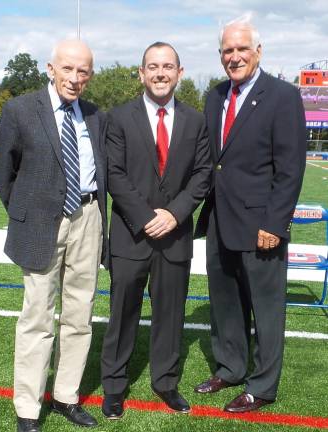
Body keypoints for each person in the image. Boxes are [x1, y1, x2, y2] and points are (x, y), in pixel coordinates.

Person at [0, 39, 107, 432]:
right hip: (42, 222)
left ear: (90, 76)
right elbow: (2, 173)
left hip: (88, 217)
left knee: (80, 314)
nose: (75, 79)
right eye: (68, 69)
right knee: (37, 317)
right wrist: (27, 214)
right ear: (50, 68)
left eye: (83, 71)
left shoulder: (94, 114)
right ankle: (28, 408)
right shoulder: (20, 109)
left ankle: (66, 397)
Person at [194, 17, 307, 412]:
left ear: (259, 52)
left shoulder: (282, 96)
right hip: (220, 223)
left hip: (262, 227)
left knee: (267, 309)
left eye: (242, 48)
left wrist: (275, 224)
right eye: (228, 50)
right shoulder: (214, 96)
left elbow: (291, 168)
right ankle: (231, 367)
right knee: (225, 302)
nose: (235, 56)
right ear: (220, 55)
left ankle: (261, 386)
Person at [100, 41, 211, 419]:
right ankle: (114, 387)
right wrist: (148, 216)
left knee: (170, 315)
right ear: (141, 73)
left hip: (175, 237)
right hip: (131, 235)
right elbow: (113, 173)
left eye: (167, 66)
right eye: (153, 66)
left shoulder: (196, 121)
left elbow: (202, 174)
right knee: (122, 313)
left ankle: (166, 382)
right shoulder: (118, 118)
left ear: (179, 73)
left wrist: (175, 214)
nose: (160, 73)